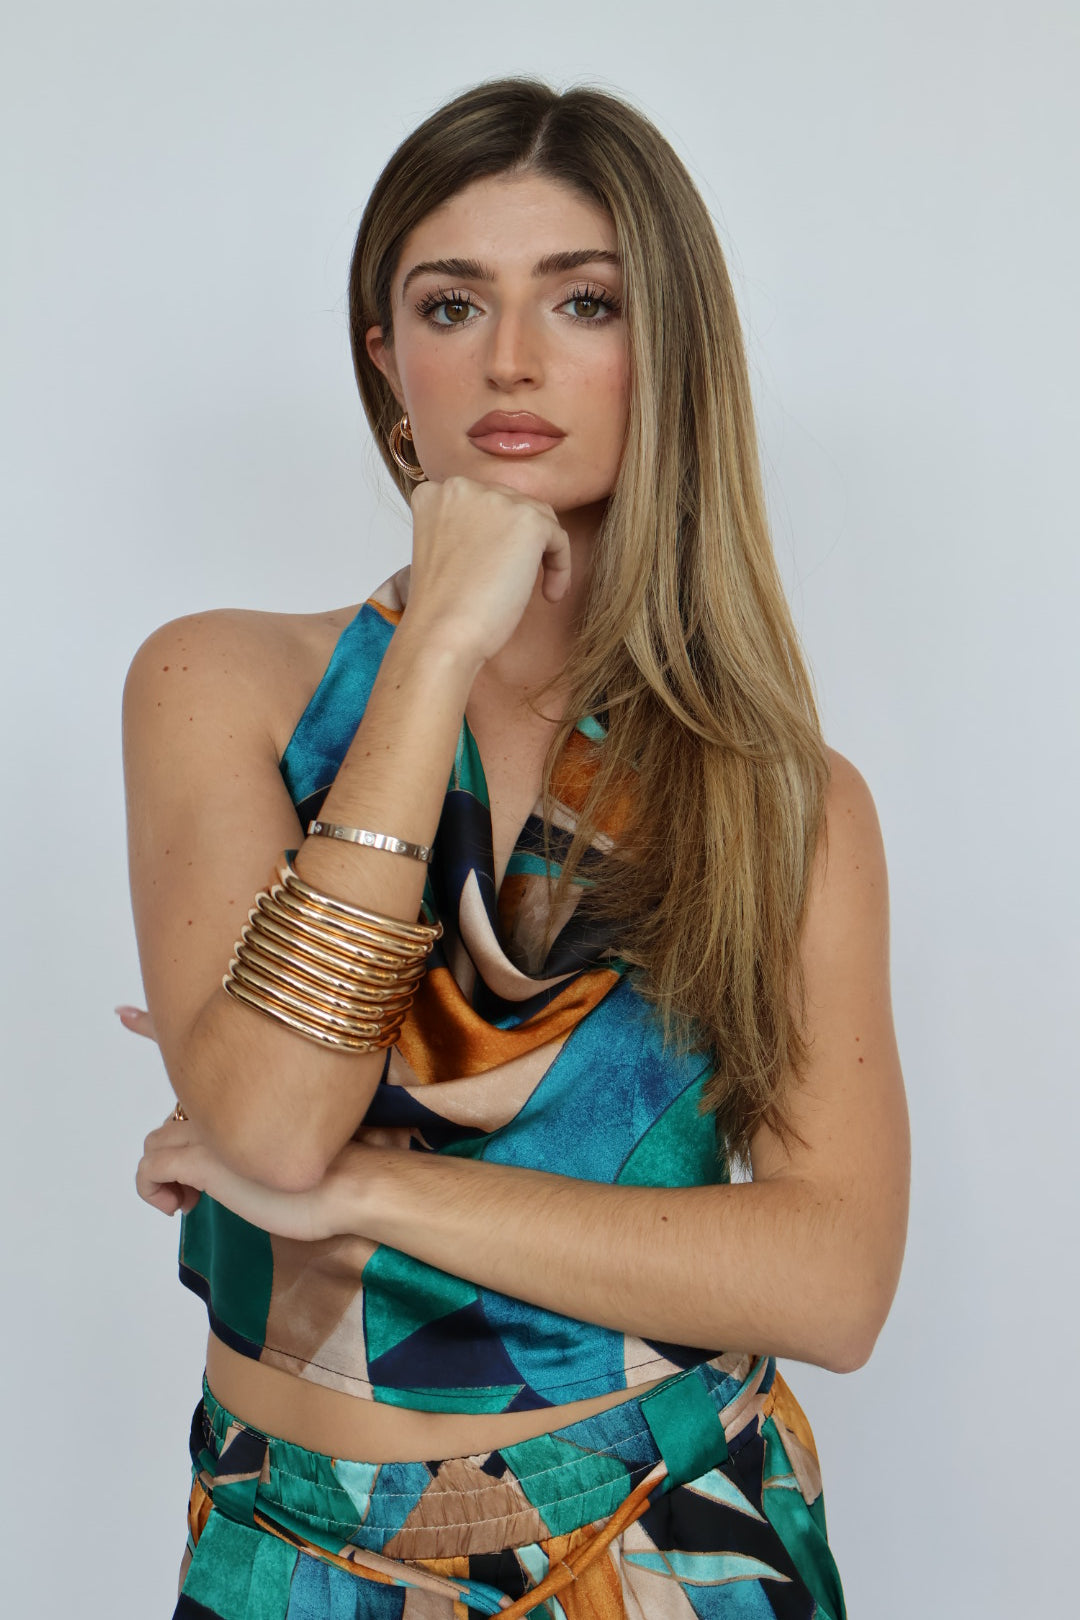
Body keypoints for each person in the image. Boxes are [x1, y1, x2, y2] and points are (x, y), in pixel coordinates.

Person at [122, 77, 909, 1620]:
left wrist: (369, 1196)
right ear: (386, 359)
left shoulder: (782, 800)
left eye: (584, 300)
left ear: (667, 352)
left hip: (664, 1541)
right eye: (452, 302)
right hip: (283, 1546)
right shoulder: (224, 685)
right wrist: (435, 651)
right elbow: (273, 1126)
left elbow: (832, 1284)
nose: (512, 358)